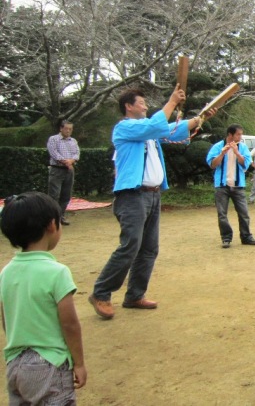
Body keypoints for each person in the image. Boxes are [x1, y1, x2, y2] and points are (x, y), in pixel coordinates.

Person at [88, 85, 211, 320]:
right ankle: (101, 293)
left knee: (149, 248)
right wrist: (172, 101)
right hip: (133, 195)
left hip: (152, 195)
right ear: (128, 106)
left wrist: (199, 119)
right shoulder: (124, 128)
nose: (145, 106)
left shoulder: (148, 131)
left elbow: (172, 132)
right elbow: (155, 126)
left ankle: (134, 295)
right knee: (130, 245)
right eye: (141, 103)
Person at [0, 192, 87, 403]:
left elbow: (6, 319)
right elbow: (70, 324)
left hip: (15, 364)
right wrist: (79, 363)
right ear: (51, 225)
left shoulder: (5, 272)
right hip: (50, 365)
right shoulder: (57, 272)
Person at [206, 125, 255, 248]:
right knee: (222, 214)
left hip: (238, 186)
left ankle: (246, 236)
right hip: (221, 186)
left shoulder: (243, 147)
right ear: (230, 135)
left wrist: (236, 152)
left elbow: (246, 164)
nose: (240, 137)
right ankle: (226, 238)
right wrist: (222, 154)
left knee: (244, 213)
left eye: (241, 134)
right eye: (238, 134)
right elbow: (212, 165)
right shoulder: (218, 146)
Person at [46, 120, 80, 225]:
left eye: (70, 129)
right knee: (54, 194)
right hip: (57, 169)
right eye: (66, 128)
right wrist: (65, 161)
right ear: (61, 128)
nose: (68, 131)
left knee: (66, 195)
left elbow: (77, 153)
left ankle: (61, 216)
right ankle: (51, 219)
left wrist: (71, 161)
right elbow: (53, 153)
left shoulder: (73, 141)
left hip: (69, 170)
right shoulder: (53, 139)